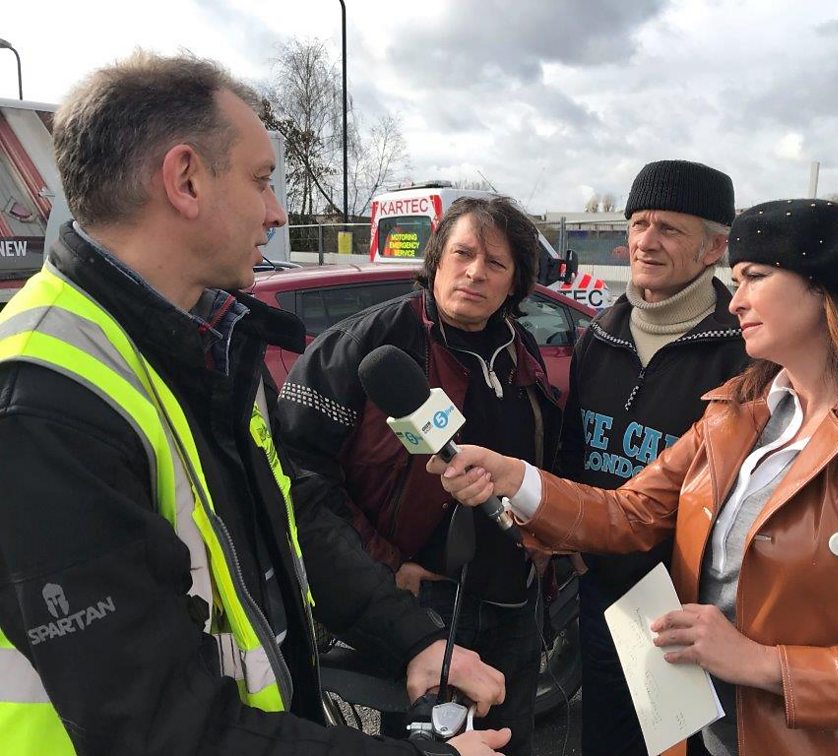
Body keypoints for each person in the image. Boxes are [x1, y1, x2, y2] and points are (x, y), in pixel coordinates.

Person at [0, 52, 509, 756]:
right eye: (263, 180)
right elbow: (158, 726)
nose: (276, 213)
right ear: (185, 180)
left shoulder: (205, 338)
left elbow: (287, 513)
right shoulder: (42, 401)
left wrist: (413, 640)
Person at [430, 199, 838, 755]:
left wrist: (764, 664)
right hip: (705, 731)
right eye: (737, 279)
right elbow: (629, 513)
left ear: (824, 293)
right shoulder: (735, 416)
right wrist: (515, 478)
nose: (738, 299)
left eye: (756, 278)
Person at [277, 195, 563, 756]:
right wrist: (385, 564)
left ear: (516, 282)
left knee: (511, 744)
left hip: (515, 599)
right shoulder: (366, 346)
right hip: (423, 605)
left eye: (496, 263)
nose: (476, 272)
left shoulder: (519, 350)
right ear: (436, 259)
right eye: (463, 253)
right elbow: (300, 477)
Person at [558, 159, 748, 756]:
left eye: (669, 228)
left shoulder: (744, 350)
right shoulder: (599, 335)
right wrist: (578, 551)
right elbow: (573, 454)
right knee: (607, 737)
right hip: (603, 591)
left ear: (714, 246)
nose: (645, 241)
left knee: (683, 746)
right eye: (639, 222)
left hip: (689, 607)